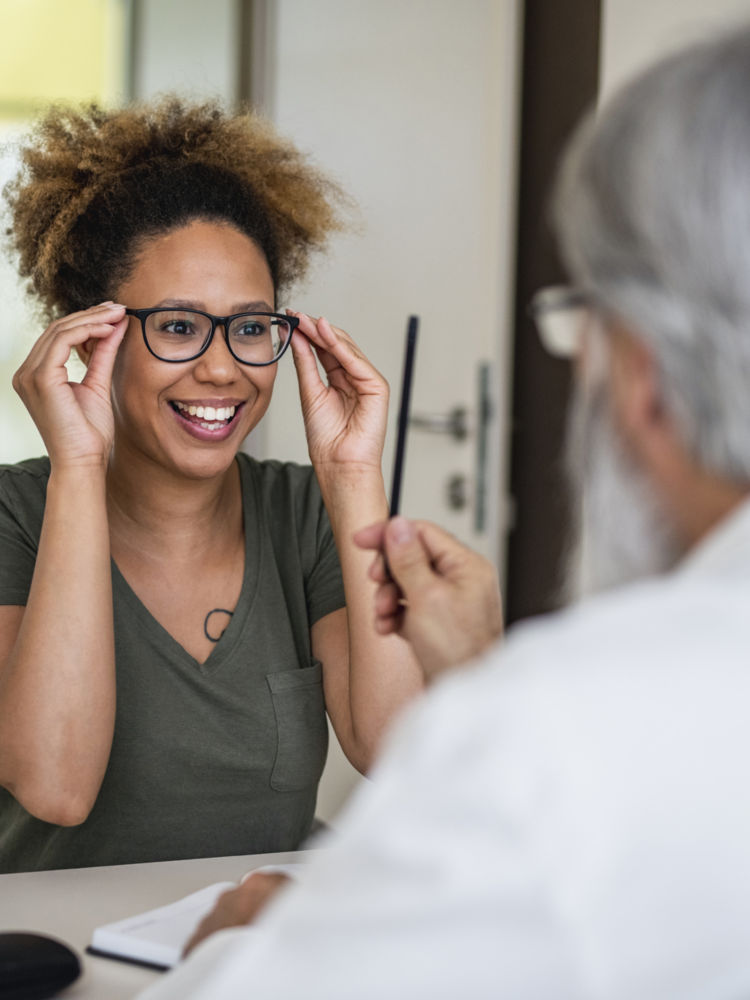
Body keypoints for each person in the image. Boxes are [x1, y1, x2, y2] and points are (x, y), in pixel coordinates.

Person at [138, 24, 750, 1000]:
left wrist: (234, 944)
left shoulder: (563, 739)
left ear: (643, 372)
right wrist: (476, 681)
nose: (219, 362)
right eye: (176, 326)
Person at [0, 98, 422, 873]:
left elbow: (400, 753)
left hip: (245, 958)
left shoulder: (303, 513)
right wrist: (78, 469)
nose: (223, 368)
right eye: (178, 326)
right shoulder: (14, 515)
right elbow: (55, 787)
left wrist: (355, 478)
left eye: (252, 327)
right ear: (96, 336)